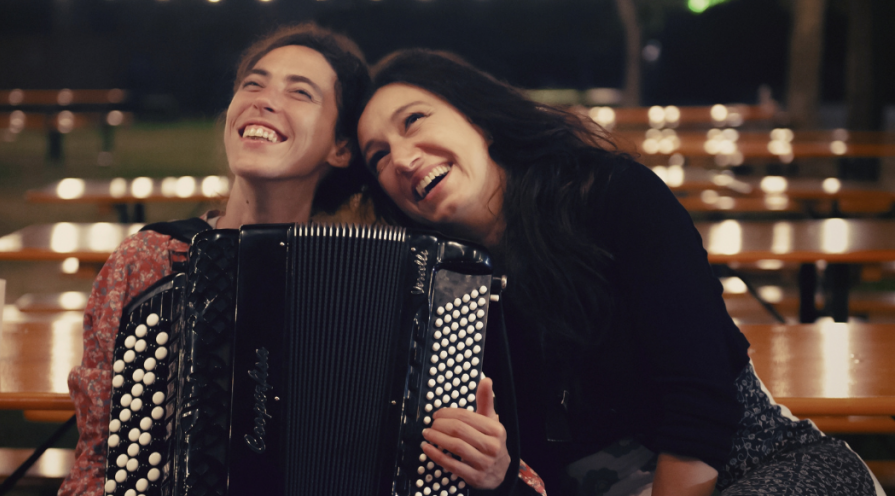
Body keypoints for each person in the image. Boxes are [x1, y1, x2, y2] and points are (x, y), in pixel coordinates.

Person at [355, 48, 885, 496]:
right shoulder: (443, 290)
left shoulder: (614, 196)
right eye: (378, 156)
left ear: (476, 116)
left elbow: (699, 408)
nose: (401, 158)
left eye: (414, 120)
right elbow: (530, 474)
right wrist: (499, 475)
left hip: (756, 468)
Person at [58, 23, 370, 496]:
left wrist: (493, 468)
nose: (264, 99)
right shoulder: (147, 263)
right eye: (253, 83)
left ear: (341, 147)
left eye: (300, 93)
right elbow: (96, 463)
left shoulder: (363, 280)